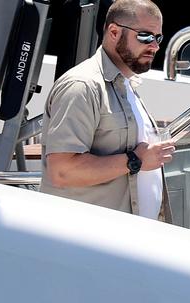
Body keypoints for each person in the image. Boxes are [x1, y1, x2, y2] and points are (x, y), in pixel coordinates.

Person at [40, 0, 175, 221]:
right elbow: (62, 171)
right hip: (88, 242)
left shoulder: (126, 85)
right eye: (145, 36)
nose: (155, 46)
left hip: (125, 239)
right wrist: (136, 160)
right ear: (114, 32)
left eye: (158, 38)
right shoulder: (81, 86)